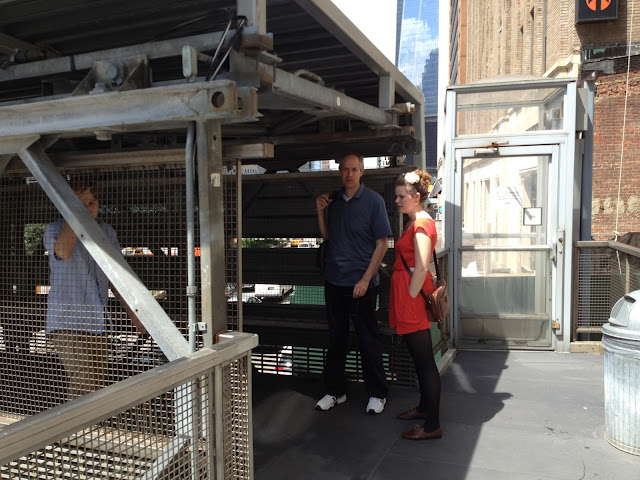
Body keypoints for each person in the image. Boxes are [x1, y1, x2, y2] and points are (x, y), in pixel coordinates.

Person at [43, 179, 145, 399]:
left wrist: (134, 314)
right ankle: (76, 422)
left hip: (98, 325)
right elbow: (64, 252)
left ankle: (88, 421)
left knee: (96, 389)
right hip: (67, 324)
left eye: (92, 202)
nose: (89, 208)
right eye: (81, 203)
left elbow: (115, 277)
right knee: (83, 388)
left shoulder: (106, 232)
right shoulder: (54, 229)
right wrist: (76, 214)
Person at [315, 152, 393, 414]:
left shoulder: (373, 201)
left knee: (368, 338)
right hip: (335, 280)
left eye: (354, 169)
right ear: (340, 172)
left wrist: (365, 279)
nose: (349, 174)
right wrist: (320, 212)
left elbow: (382, 244)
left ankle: (378, 394)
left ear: (362, 171)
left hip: (362, 284)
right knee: (336, 339)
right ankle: (335, 391)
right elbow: (328, 237)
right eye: (345, 169)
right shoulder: (334, 201)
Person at [389, 169, 443, 440]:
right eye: (397, 196)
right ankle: (424, 409)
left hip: (412, 297)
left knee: (424, 362)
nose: (397, 201)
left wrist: (410, 297)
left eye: (402, 196)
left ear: (416, 197)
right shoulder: (417, 222)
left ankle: (432, 425)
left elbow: (421, 266)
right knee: (420, 359)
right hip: (410, 295)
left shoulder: (420, 225)